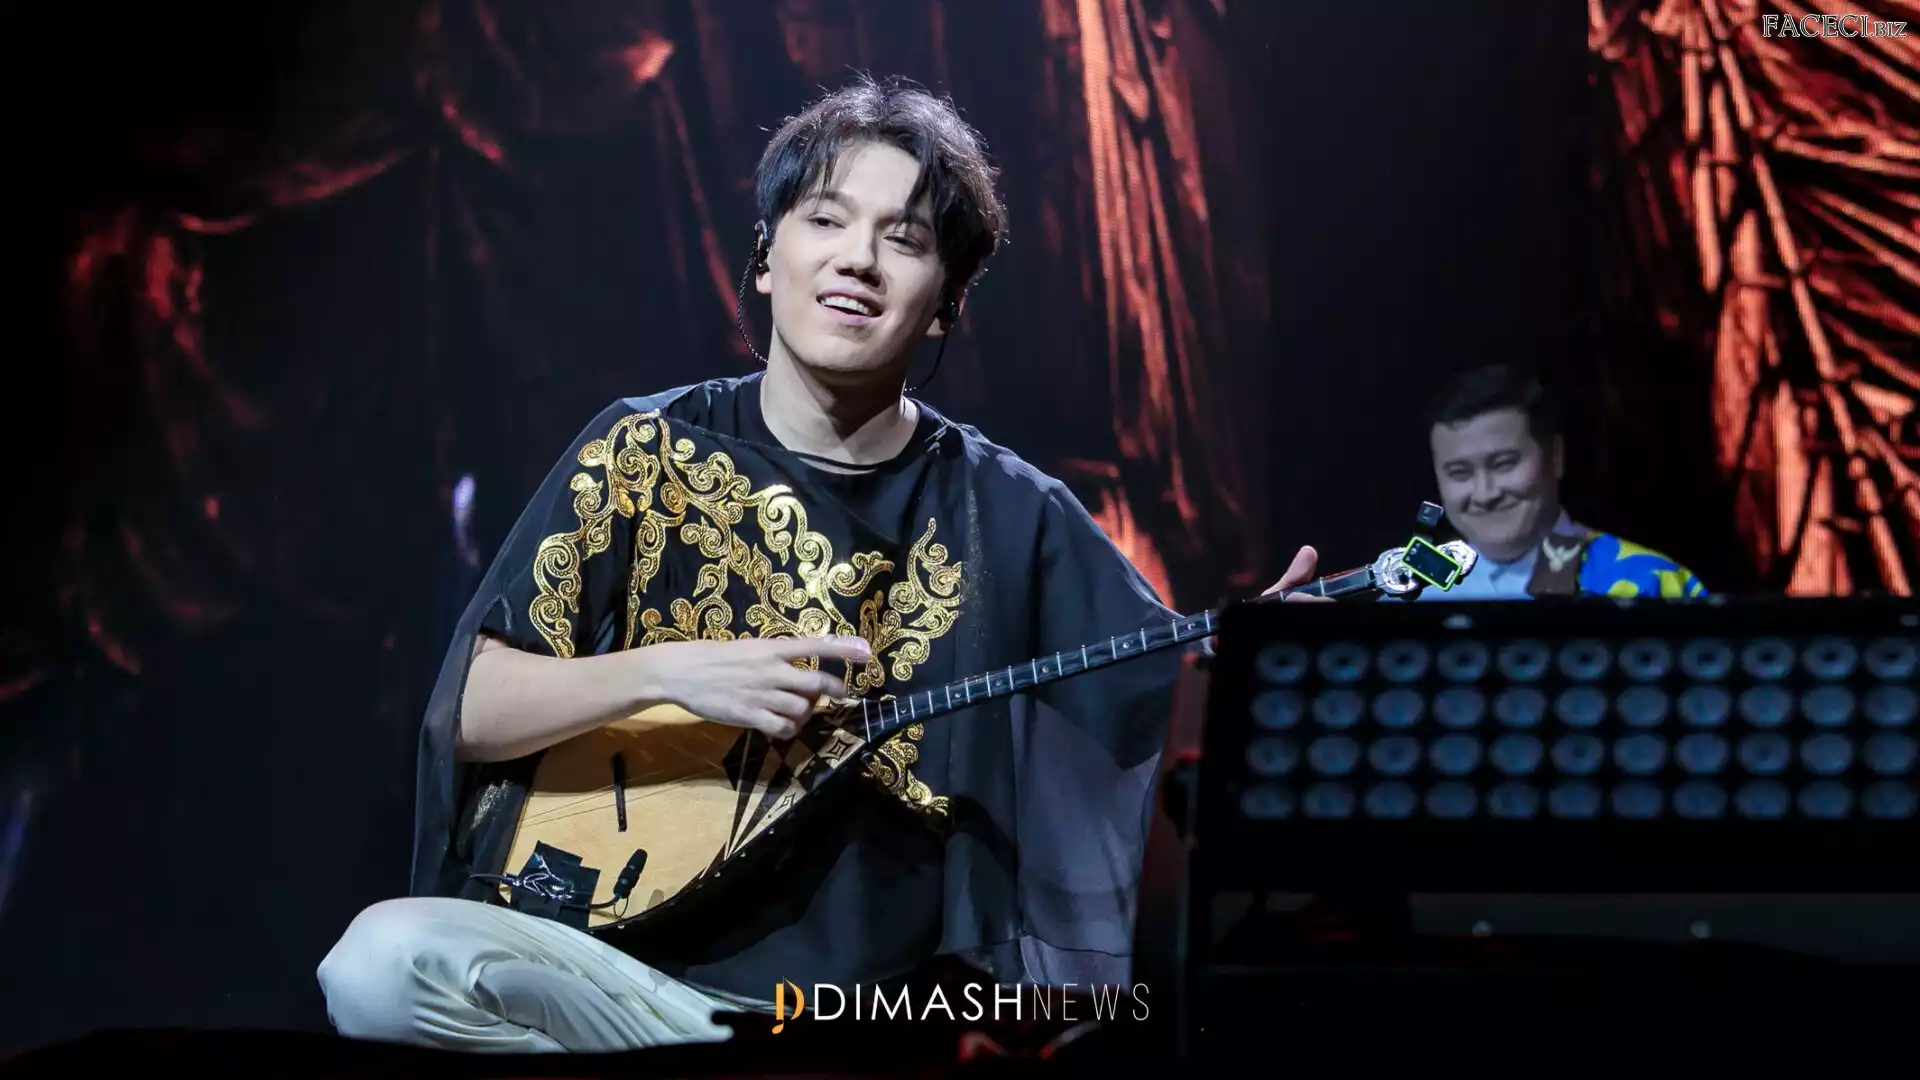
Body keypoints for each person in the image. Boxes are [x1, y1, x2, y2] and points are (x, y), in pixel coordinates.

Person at [315, 74, 1325, 1054]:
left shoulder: (1011, 512)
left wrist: (1271, 658)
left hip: (862, 1014)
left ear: (945, 305)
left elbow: (1165, 691)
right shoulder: (641, 448)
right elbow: (473, 706)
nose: (858, 260)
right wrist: (671, 673)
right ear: (767, 260)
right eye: (827, 220)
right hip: (616, 980)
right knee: (382, 963)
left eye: (905, 239)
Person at [1414, 363, 1706, 600]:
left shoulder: (1651, 583)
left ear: (1555, 457)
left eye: (1504, 464)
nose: (1485, 493)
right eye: (1460, 473)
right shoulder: (1409, 591)